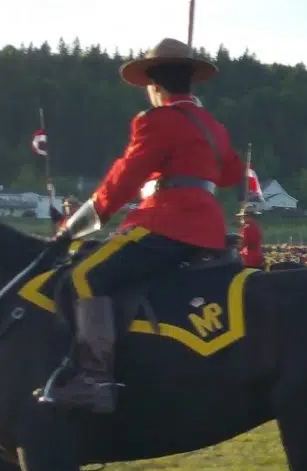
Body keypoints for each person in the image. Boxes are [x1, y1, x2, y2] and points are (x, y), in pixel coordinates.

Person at [42, 38, 245, 413]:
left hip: (168, 221)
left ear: (154, 85)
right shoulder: (212, 125)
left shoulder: (158, 120)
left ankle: (94, 379)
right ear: (190, 82)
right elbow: (231, 173)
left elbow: (123, 180)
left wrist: (74, 227)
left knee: (86, 276)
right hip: (208, 226)